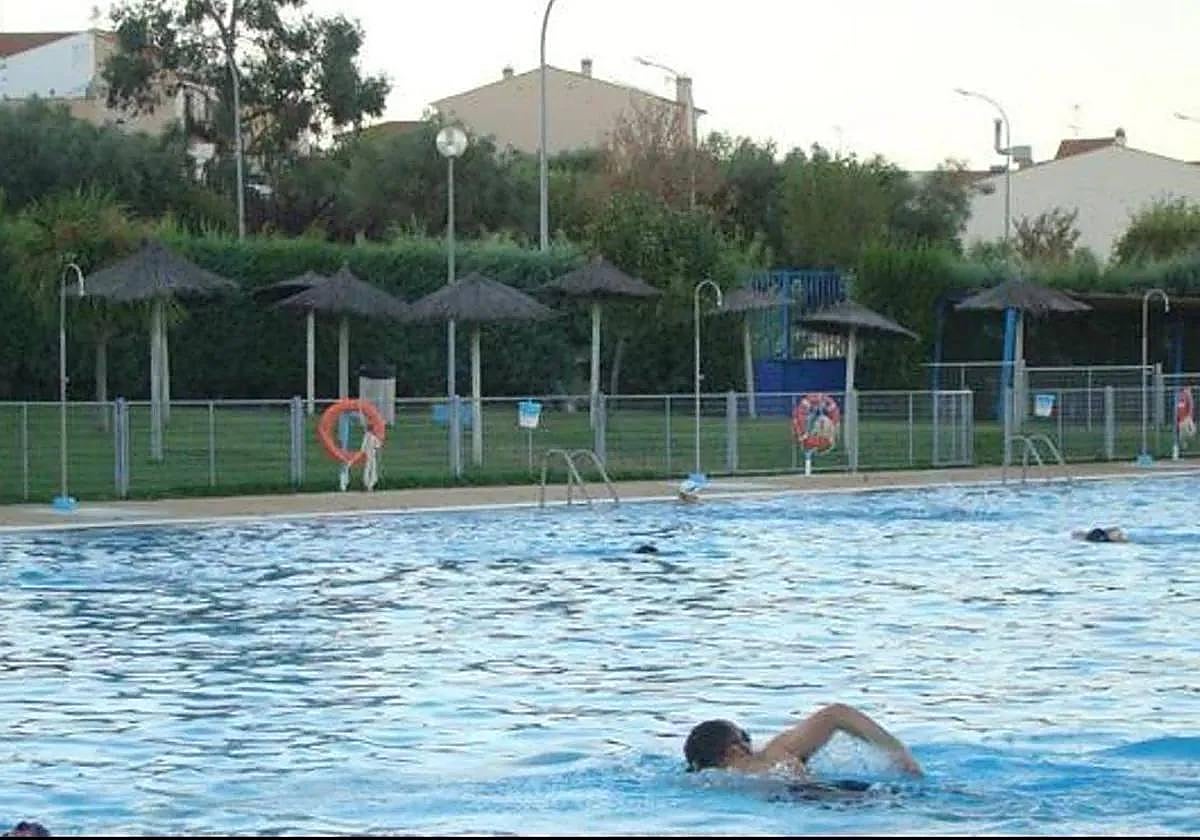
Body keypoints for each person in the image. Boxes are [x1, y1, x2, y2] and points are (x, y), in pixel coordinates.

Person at [684, 703, 922, 779]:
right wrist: (897, 751)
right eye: (746, 737)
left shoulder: (711, 786)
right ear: (735, 750)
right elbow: (836, 713)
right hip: (843, 801)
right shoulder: (774, 754)